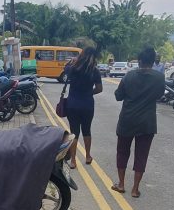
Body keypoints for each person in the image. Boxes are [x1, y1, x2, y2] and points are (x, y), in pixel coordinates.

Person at [112, 47, 165, 198]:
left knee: (122, 152)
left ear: (139, 60)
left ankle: (121, 184)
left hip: (127, 120)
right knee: (142, 155)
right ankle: (135, 189)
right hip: (147, 122)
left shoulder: (128, 76)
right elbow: (160, 95)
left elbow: (118, 96)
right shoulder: (159, 77)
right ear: (153, 61)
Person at [61, 47, 103, 168]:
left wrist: (71, 62)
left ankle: (73, 161)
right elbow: (99, 89)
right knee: (87, 130)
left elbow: (66, 68)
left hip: (72, 104)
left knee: (74, 132)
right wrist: (89, 93)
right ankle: (88, 156)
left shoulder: (73, 69)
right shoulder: (94, 71)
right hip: (87, 104)